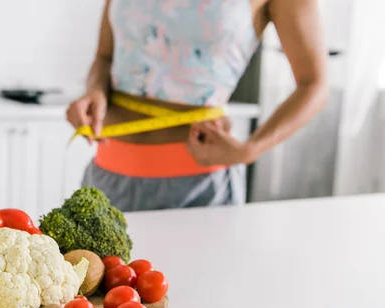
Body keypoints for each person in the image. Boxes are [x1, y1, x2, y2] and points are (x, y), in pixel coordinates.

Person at [66, 0, 328, 212]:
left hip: (198, 185)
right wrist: (94, 91)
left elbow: (314, 83)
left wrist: (250, 150)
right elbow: (105, 56)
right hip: (106, 173)